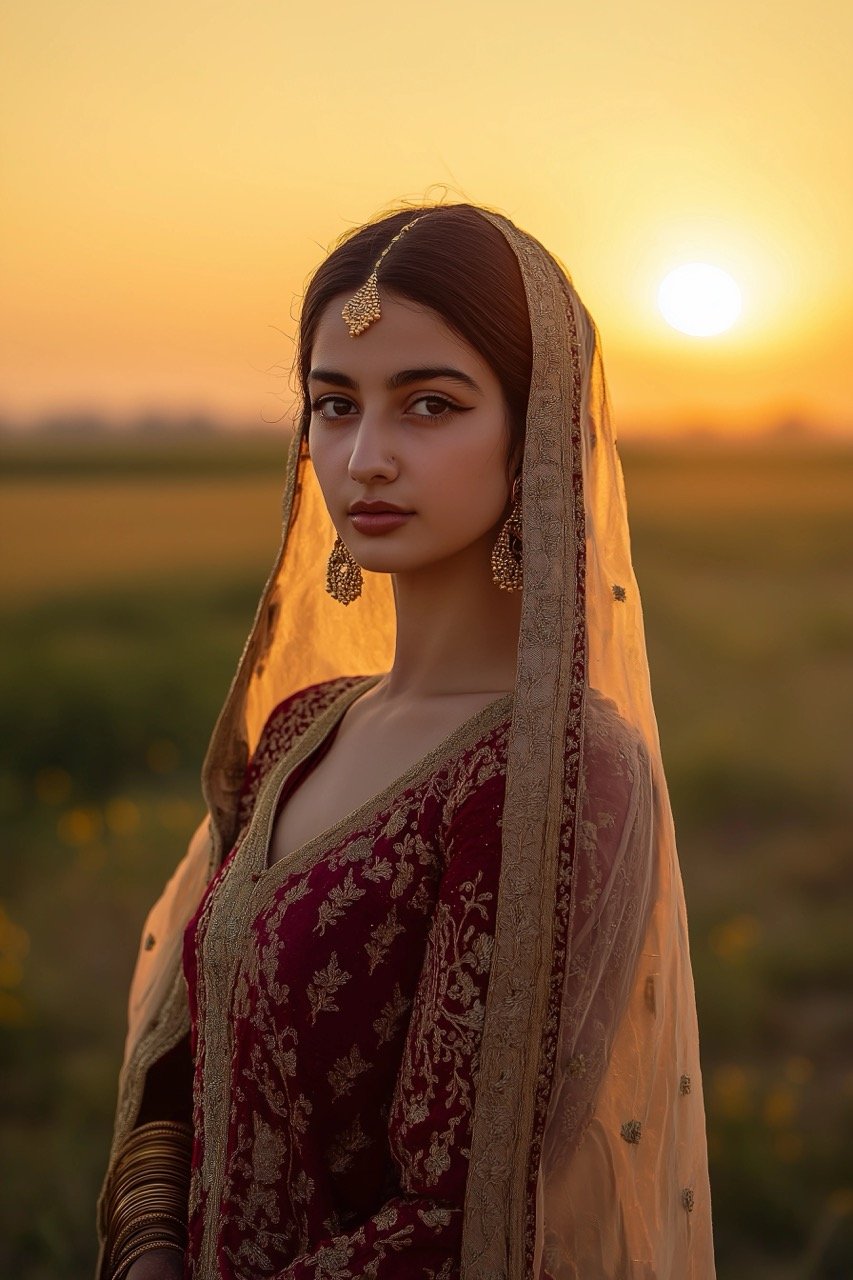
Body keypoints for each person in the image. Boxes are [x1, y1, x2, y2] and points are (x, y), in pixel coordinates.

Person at [95, 201, 717, 1279]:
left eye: (429, 403)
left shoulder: (551, 776)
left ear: (538, 429)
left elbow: (458, 1218)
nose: (366, 456)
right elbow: (183, 1063)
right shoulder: (302, 725)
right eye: (334, 405)